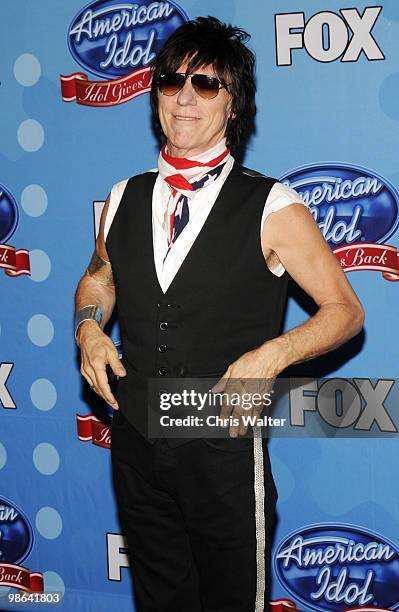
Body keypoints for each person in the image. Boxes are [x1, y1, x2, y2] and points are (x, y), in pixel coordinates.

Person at [74, 16, 364, 612]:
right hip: (135, 439)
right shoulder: (123, 197)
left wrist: (275, 352)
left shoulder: (272, 205)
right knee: (161, 600)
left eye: (205, 84)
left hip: (223, 449)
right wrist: (88, 327)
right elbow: (100, 277)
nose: (184, 96)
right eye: (171, 79)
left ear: (233, 106)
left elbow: (345, 310)